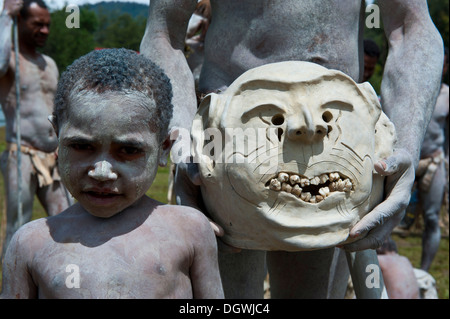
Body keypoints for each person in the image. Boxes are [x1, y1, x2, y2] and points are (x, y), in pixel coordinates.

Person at [140, 0, 444, 298]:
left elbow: (410, 25)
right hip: (229, 141)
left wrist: (404, 147)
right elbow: (164, 33)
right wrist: (183, 145)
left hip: (340, 138)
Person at [0, 48, 224, 299]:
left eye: (128, 150)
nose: (102, 173)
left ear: (164, 148)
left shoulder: (190, 230)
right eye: (82, 146)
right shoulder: (31, 243)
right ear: (56, 136)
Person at [0, 0, 70, 256]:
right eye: (37, 24)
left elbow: (60, 109)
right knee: (19, 226)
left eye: (48, 25)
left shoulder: (49, 64)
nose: (45, 30)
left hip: (53, 156)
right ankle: (12, 291)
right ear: (20, 22)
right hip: (22, 154)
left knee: (67, 220)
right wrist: (6, 15)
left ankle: (60, 284)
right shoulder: (8, 60)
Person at [414, 47, 448, 271]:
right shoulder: (412, 90)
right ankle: (384, 264)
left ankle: (423, 273)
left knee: (432, 218)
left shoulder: (447, 96)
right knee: (386, 215)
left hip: (434, 160)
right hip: (407, 160)